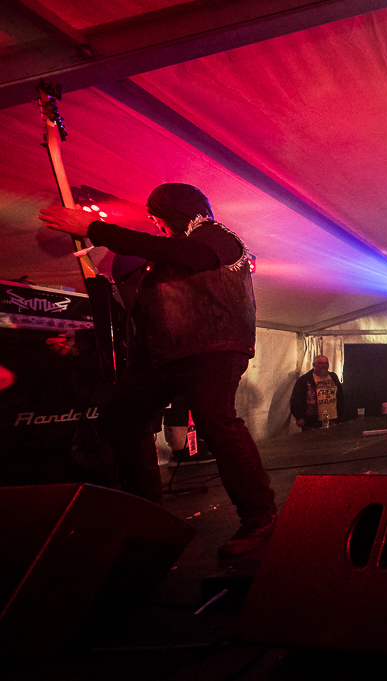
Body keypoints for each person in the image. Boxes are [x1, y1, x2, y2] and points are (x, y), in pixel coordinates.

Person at [40, 183, 278, 558]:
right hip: (167, 353)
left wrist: (95, 229)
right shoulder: (165, 260)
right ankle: (146, 513)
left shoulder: (214, 234)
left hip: (212, 346)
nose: (156, 225)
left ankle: (260, 517)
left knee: (215, 419)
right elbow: (139, 320)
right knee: (123, 416)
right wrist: (85, 340)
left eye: (157, 216)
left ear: (174, 211)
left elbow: (191, 255)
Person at [290, 355, 344, 430]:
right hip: (312, 421)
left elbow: (340, 396)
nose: (324, 365)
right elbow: (296, 399)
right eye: (320, 363)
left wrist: (342, 413)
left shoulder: (333, 377)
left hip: (333, 419)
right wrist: (299, 417)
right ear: (314, 365)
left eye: (326, 363)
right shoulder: (305, 380)